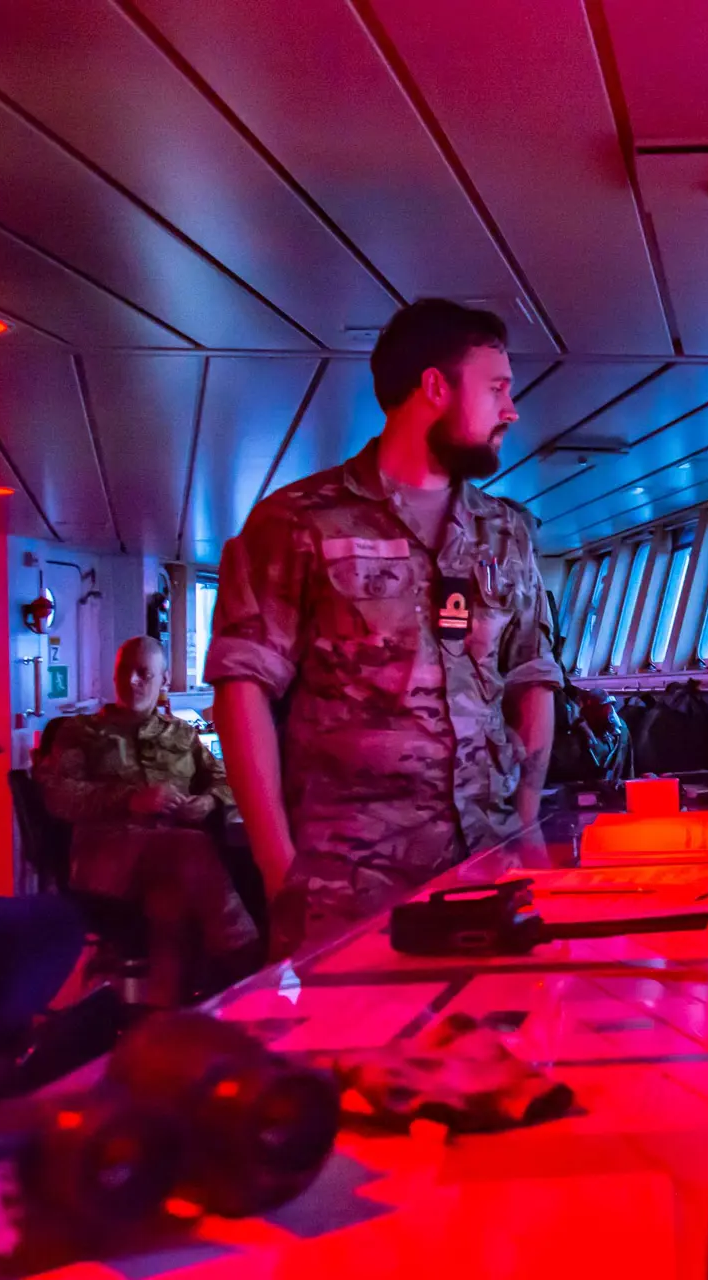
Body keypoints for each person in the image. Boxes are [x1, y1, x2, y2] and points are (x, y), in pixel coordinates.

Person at [207, 300, 561, 957]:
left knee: (495, 1049)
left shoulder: (507, 531)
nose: (511, 410)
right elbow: (240, 687)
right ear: (434, 388)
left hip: (488, 865)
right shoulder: (298, 522)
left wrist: (527, 820)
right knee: (350, 1059)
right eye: (497, 389)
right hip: (349, 884)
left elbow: (531, 673)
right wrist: (277, 865)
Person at [34, 637, 258, 1006]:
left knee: (170, 901)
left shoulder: (184, 735)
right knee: (190, 848)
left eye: (144, 673)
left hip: (171, 866)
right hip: (105, 862)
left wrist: (208, 802)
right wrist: (130, 800)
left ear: (164, 680)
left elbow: (226, 778)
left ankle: (162, 1025)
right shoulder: (82, 732)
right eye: (125, 672)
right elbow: (58, 796)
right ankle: (245, 960)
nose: (133, 681)